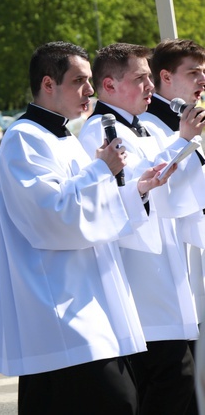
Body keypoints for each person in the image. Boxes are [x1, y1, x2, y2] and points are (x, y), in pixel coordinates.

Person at [0, 41, 171, 414]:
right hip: (58, 300)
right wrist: (102, 169)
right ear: (48, 84)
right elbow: (53, 217)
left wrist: (137, 190)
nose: (89, 90)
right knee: (117, 401)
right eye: (79, 81)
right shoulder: (23, 139)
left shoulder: (65, 137)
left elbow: (94, 206)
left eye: (89, 81)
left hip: (89, 296)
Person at [78, 43, 205, 414]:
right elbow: (133, 194)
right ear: (109, 86)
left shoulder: (145, 126)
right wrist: (181, 142)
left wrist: (185, 146)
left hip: (167, 267)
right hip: (139, 275)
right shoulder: (99, 131)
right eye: (140, 78)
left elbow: (179, 189)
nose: (150, 86)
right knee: (170, 379)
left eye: (150, 77)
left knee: (178, 380)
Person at [141, 38, 205, 414]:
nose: (202, 80)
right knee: (174, 384)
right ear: (165, 76)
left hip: (193, 266)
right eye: (193, 73)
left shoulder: (187, 121)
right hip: (167, 266)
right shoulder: (152, 127)